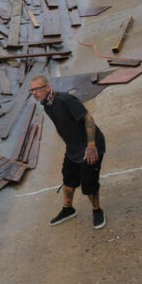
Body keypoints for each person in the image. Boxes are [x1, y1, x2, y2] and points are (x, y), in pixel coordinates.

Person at [29, 75, 106, 229]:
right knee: (68, 177)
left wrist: (91, 145)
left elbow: (88, 119)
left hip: (90, 146)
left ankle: (97, 210)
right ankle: (68, 209)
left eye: (37, 89)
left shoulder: (65, 100)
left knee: (88, 181)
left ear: (47, 88)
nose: (34, 93)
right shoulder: (46, 104)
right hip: (73, 146)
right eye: (32, 90)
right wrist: (70, 143)